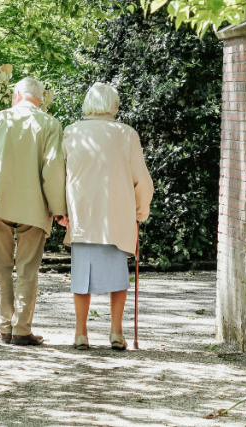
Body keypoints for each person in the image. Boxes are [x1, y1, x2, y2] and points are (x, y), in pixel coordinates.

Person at [0, 77, 67, 346]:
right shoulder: (50, 124)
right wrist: (58, 209)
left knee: (0, 268)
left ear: (17, 95)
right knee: (27, 269)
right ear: (40, 99)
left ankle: (4, 328)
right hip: (34, 206)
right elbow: (53, 168)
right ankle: (21, 330)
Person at [59, 82, 154, 351]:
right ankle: (116, 331)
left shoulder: (71, 132)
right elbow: (142, 180)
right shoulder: (126, 134)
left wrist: (61, 211)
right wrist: (140, 211)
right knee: (118, 276)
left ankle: (80, 333)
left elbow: (60, 175)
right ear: (114, 104)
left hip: (83, 214)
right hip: (117, 215)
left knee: (81, 277)